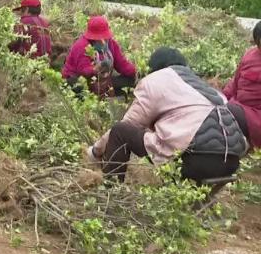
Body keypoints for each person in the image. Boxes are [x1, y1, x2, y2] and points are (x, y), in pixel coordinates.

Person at [88, 47, 249, 182]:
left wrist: (95, 151)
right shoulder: (202, 86)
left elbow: (130, 123)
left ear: (154, 67)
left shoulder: (155, 80)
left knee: (120, 132)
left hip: (194, 161)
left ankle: (110, 192)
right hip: (231, 162)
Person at [62, 15, 136, 97]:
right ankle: (99, 93)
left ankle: (105, 90)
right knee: (80, 86)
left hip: (102, 80)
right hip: (80, 79)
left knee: (131, 80)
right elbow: (83, 70)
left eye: (104, 37)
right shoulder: (81, 46)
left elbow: (122, 63)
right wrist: (96, 69)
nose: (103, 40)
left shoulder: (111, 44)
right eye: (99, 38)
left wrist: (134, 71)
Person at [223, 21, 261, 149]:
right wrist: (221, 96)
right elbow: (235, 82)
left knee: (226, 112)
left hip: (256, 117)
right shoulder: (250, 55)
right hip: (239, 107)